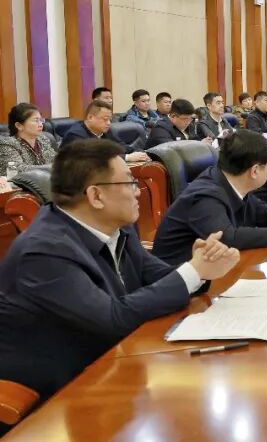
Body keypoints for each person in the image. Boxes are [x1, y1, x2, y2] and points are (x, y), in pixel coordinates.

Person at [0, 140, 240, 400]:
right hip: (59, 387)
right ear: (96, 196)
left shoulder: (117, 226)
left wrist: (202, 269)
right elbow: (112, 320)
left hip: (115, 358)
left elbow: (158, 277)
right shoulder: (43, 252)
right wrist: (193, 271)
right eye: (129, 182)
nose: (137, 192)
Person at [152, 130, 267, 265]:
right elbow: (228, 238)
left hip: (215, 269)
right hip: (179, 280)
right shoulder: (205, 196)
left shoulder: (228, 180)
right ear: (254, 171)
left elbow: (263, 211)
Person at [62, 101, 150, 162]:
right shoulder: (75, 135)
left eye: (110, 120)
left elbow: (120, 146)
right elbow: (94, 158)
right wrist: (127, 157)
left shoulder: (106, 131)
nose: (108, 123)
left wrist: (140, 153)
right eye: (105, 119)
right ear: (90, 117)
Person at [0, 103, 59, 173]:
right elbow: (18, 169)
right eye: (36, 120)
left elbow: (56, 160)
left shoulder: (43, 139)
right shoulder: (7, 144)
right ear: (19, 126)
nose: (41, 125)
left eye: (41, 120)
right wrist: (52, 167)